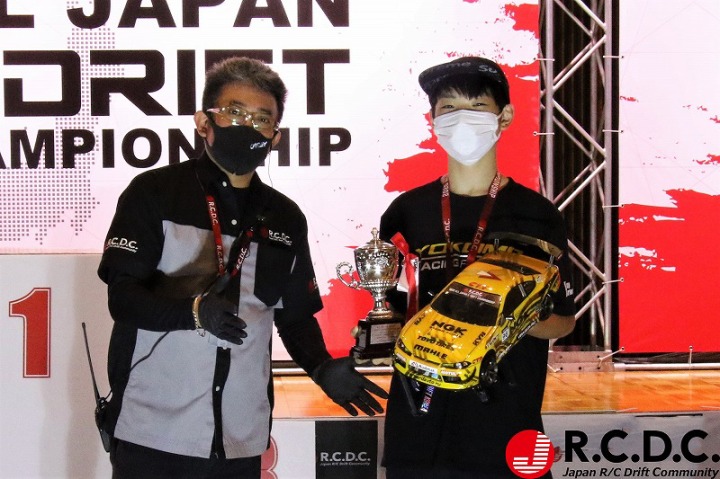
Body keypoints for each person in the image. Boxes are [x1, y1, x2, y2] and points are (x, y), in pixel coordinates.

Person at [97, 56, 388, 479]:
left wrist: (321, 366)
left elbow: (294, 317)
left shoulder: (285, 217)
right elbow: (123, 298)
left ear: (275, 137)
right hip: (153, 432)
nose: (247, 126)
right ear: (204, 122)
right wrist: (194, 313)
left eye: (261, 119)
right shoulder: (155, 192)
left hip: (241, 438)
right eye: (234, 113)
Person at [379, 56, 576, 478]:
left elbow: (563, 321)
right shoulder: (405, 211)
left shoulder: (538, 214)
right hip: (418, 425)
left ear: (504, 116)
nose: (461, 118)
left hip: (506, 423)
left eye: (477, 105)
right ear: (433, 120)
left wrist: (508, 315)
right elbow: (392, 311)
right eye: (449, 107)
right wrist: (379, 333)